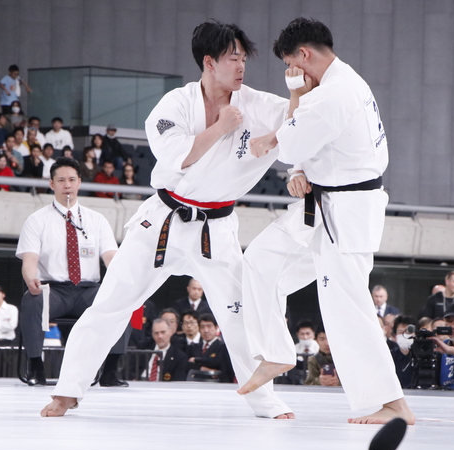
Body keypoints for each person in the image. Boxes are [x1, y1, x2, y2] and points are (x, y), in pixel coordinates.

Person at [40, 21, 294, 419]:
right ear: (209, 62)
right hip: (162, 222)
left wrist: (295, 97)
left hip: (215, 228)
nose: (242, 65)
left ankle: (265, 400)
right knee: (110, 303)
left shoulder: (257, 104)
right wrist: (220, 127)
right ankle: (67, 390)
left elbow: (300, 119)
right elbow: (179, 156)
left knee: (239, 313)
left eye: (244, 58)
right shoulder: (174, 104)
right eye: (233, 58)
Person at [237, 18, 414, 425]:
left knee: (347, 306)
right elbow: (303, 151)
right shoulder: (339, 84)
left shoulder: (334, 93)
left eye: (291, 64)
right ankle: (276, 353)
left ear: (304, 55)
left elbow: (288, 146)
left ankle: (393, 403)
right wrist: (300, 170)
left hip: (346, 212)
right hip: (321, 204)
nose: (291, 73)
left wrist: (295, 95)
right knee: (261, 261)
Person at [16, 157, 129, 387]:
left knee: (123, 300)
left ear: (79, 182)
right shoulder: (37, 220)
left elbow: (111, 257)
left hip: (88, 290)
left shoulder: (97, 220)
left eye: (71, 179)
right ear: (51, 184)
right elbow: (29, 260)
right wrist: (30, 278)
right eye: (61, 180)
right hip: (53, 290)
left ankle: (110, 370)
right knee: (32, 300)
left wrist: (124, 281)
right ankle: (35, 367)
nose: (67, 185)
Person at [187, 313, 234, 382]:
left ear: (216, 328)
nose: (206, 330)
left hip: (217, 383)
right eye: (202, 327)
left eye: (209, 326)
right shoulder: (193, 347)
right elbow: (187, 364)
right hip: (195, 383)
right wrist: (203, 368)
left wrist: (196, 360)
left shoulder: (223, 347)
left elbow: (217, 361)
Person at [390, 315, 415, 389]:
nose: (404, 335)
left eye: (408, 332)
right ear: (395, 335)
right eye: (400, 332)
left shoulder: (421, 356)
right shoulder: (390, 356)